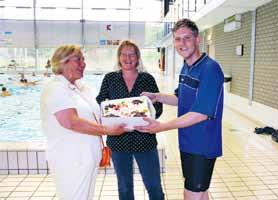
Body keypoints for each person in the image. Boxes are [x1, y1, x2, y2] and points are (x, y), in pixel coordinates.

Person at [136, 18, 224, 200]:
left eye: (187, 38)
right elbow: (180, 99)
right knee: (200, 193)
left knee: (191, 193)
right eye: (177, 39)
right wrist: (157, 96)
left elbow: (200, 113)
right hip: (188, 141)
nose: (181, 44)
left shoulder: (210, 69)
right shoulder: (186, 67)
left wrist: (161, 126)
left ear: (197, 39)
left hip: (202, 144)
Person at [40, 44, 127, 200]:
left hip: (87, 159)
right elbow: (71, 122)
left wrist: (129, 114)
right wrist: (109, 130)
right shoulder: (56, 89)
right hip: (71, 160)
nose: (83, 63)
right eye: (78, 59)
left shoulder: (80, 88)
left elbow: (97, 114)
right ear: (62, 62)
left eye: (83, 59)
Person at [96, 40, 164, 200]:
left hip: (145, 139)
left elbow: (158, 107)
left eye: (132, 54)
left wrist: (148, 117)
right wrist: (108, 115)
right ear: (119, 57)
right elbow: (100, 102)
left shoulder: (147, 79)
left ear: (138, 57)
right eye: (124, 54)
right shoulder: (110, 78)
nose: (128, 58)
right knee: (125, 187)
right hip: (118, 140)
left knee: (154, 186)